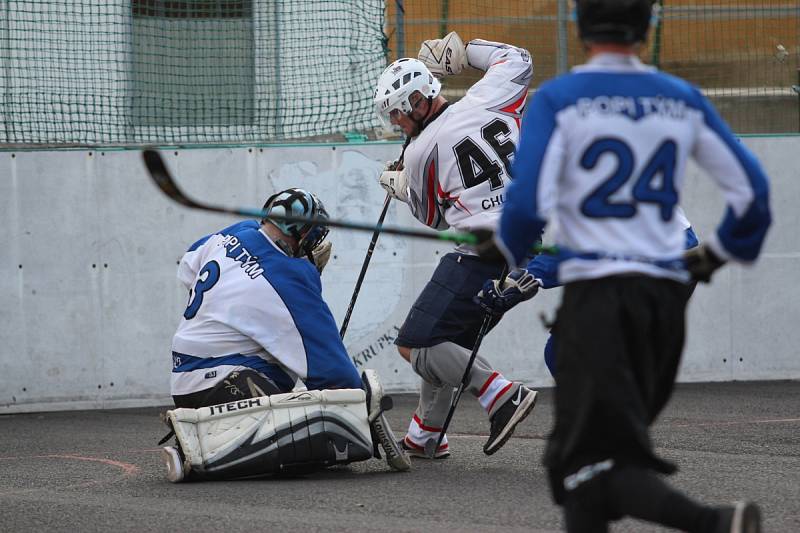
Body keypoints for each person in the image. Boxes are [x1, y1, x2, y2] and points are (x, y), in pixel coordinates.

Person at [477, 0, 771, 531]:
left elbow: (523, 211)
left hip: (601, 302)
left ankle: (718, 523)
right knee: (589, 469)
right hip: (663, 303)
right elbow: (752, 198)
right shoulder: (680, 98)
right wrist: (711, 256)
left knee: (582, 469)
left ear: (578, 26)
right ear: (648, 26)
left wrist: (506, 250)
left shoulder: (559, 100)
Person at [161, 188, 410, 481]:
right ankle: (202, 453)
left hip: (184, 379)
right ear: (301, 234)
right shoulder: (289, 278)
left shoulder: (237, 231)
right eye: (314, 237)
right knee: (333, 429)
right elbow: (335, 375)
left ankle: (207, 432)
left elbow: (188, 270)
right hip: (227, 382)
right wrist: (359, 408)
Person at [372, 32, 538, 459]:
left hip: (480, 250)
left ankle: (501, 395)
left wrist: (401, 188)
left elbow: (432, 217)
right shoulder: (486, 97)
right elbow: (517, 56)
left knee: (416, 344)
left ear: (416, 103)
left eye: (397, 114)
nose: (396, 124)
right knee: (445, 340)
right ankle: (426, 434)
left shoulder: (420, 151)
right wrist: (464, 54)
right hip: (524, 243)